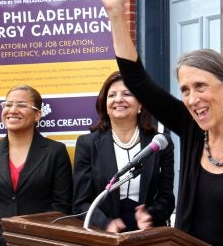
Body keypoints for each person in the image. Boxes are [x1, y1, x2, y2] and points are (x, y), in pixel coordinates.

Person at [99, 0, 223, 246]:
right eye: (185, 90)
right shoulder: (192, 127)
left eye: (200, 86)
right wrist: (115, 14)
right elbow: (138, 82)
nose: (192, 99)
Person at [73, 71, 175, 233]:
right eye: (112, 95)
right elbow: (81, 203)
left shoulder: (159, 143)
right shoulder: (87, 144)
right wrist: (105, 224)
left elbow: (167, 198)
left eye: (127, 94)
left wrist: (150, 216)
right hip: (103, 233)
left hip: (146, 233)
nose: (118, 99)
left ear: (140, 104)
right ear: (105, 105)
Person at [0, 85, 73, 246]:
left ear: (37, 114)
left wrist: (30, 239)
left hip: (40, 242)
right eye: (8, 104)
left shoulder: (56, 152)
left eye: (22, 105)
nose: (12, 110)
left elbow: (61, 205)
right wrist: (3, 241)